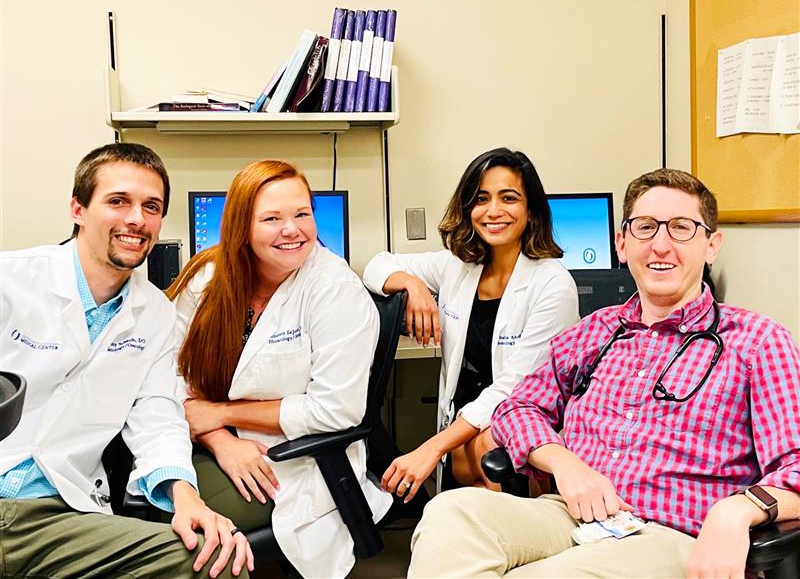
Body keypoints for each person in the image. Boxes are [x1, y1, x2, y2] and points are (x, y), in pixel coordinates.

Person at [407, 168, 800, 578]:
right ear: (622, 244)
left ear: (712, 245)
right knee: (450, 514)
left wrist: (737, 511)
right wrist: (565, 465)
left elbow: (796, 464)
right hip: (571, 515)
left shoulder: (756, 342)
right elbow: (517, 407)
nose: (660, 246)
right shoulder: (593, 332)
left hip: (673, 532)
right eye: (645, 228)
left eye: (681, 228)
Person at [0, 143, 252, 579]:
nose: (136, 219)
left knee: (214, 561)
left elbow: (157, 415)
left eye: (151, 207)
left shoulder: (154, 313)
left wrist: (185, 495)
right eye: (118, 201)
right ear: (78, 208)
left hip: (57, 516)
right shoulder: (12, 279)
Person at [166, 160, 391, 579]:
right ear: (241, 227)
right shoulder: (209, 277)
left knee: (180, 534)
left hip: (292, 459)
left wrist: (221, 414)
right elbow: (166, 370)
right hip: (210, 444)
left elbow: (335, 412)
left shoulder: (335, 291)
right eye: (272, 218)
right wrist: (219, 439)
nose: (292, 230)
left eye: (302, 214)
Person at [362, 147, 579, 502]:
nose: (493, 211)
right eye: (481, 199)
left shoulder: (552, 285)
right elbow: (376, 265)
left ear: (531, 209)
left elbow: (514, 388)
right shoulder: (459, 266)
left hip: (512, 423)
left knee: (493, 453)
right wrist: (413, 285)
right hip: (462, 424)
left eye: (508, 198)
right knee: (478, 483)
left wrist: (430, 449)